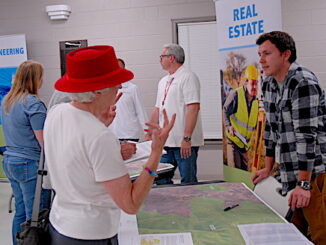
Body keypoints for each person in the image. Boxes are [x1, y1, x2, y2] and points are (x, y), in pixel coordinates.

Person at [43, 45, 175, 244]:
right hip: (91, 235)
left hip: (60, 225)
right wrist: (156, 153)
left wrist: (98, 122)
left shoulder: (56, 113)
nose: (120, 88)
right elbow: (130, 204)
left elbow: (76, 154)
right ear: (97, 91)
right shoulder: (99, 136)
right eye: (115, 83)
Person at [252, 31, 326, 245]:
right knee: (295, 232)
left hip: (315, 172)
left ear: (286, 54)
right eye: (259, 54)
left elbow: (306, 136)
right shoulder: (268, 84)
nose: (261, 60)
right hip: (289, 170)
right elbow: (270, 128)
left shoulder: (303, 82)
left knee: (320, 233)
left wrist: (304, 184)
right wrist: (268, 167)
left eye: (267, 53)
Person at [0, 60, 51, 244]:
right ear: (34, 78)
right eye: (41, 76)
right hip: (30, 164)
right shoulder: (33, 104)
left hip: (10, 161)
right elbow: (44, 141)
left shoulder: (7, 101)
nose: (43, 80)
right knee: (35, 217)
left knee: (20, 212)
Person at [147, 43, 203, 184]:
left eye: (162, 56)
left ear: (171, 58)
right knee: (159, 179)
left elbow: (193, 107)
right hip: (165, 142)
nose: (160, 59)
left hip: (183, 142)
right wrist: (150, 133)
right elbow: (157, 109)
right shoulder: (163, 81)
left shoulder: (188, 77)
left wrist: (187, 138)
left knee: (188, 181)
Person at [223, 65, 259, 170]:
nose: (255, 87)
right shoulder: (236, 95)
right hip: (233, 141)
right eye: (252, 83)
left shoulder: (256, 102)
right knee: (235, 172)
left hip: (245, 146)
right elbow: (225, 111)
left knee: (244, 175)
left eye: (256, 84)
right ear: (246, 82)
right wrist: (229, 127)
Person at [108, 58, 148, 142]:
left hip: (129, 135)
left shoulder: (132, 88)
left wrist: (147, 132)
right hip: (112, 136)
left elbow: (140, 111)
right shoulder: (106, 90)